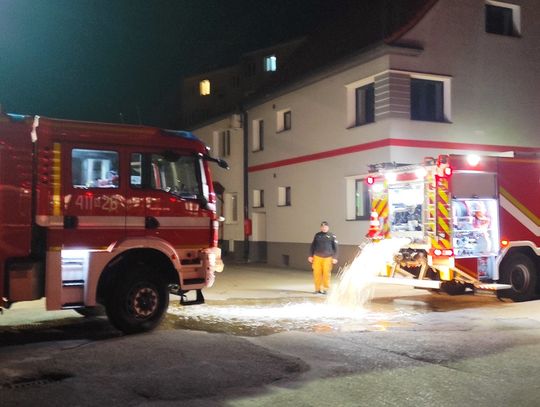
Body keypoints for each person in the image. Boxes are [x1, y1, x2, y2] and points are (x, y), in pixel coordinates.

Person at [308, 221, 338, 294]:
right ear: (321, 228)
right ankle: (317, 289)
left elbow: (336, 248)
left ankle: (325, 289)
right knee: (316, 273)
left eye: (325, 227)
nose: (324, 228)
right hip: (317, 257)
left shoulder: (332, 236)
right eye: (322, 227)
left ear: (328, 227)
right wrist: (310, 255)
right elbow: (312, 246)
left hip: (328, 258)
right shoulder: (317, 235)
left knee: (326, 274)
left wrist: (335, 257)